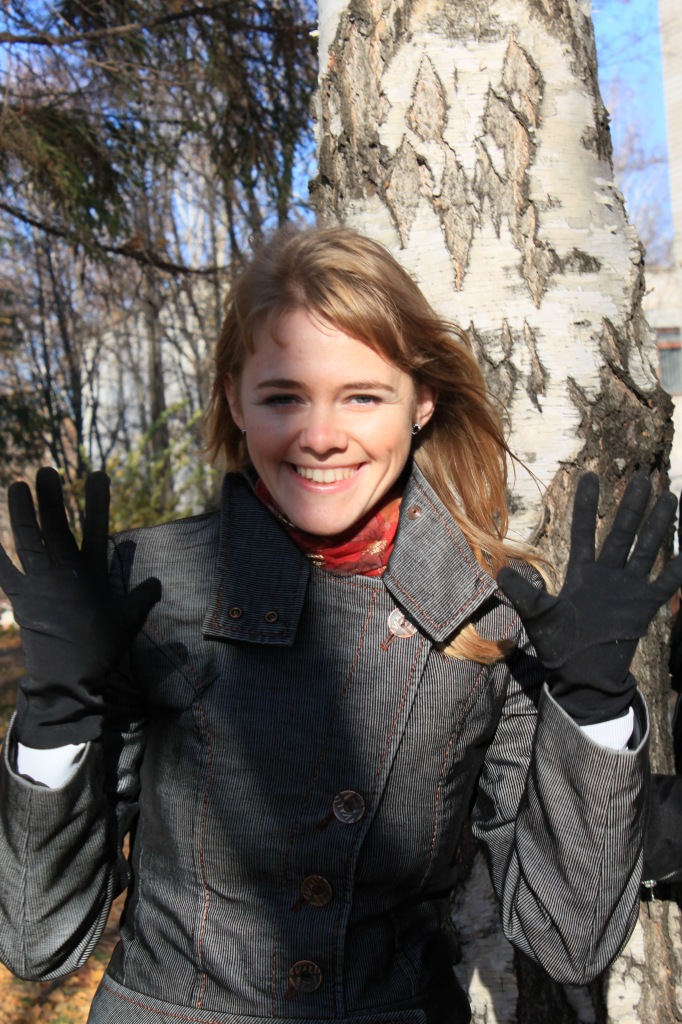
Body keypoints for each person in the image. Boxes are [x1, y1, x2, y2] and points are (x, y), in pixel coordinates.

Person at [0, 226, 679, 1024]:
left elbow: (571, 941)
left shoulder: (490, 610)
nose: (321, 437)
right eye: (283, 397)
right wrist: (57, 716)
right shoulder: (147, 590)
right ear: (235, 400)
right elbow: (36, 939)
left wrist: (593, 708)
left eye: (362, 396)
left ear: (422, 401)